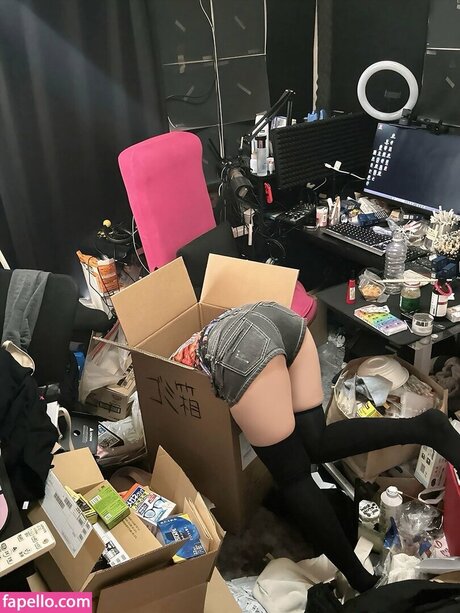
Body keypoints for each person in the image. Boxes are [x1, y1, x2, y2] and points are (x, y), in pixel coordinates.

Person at [171, 301, 460, 592]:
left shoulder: (176, 370)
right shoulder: (205, 335)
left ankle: (359, 578)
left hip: (243, 354)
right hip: (282, 320)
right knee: (316, 441)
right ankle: (425, 427)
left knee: (293, 476)